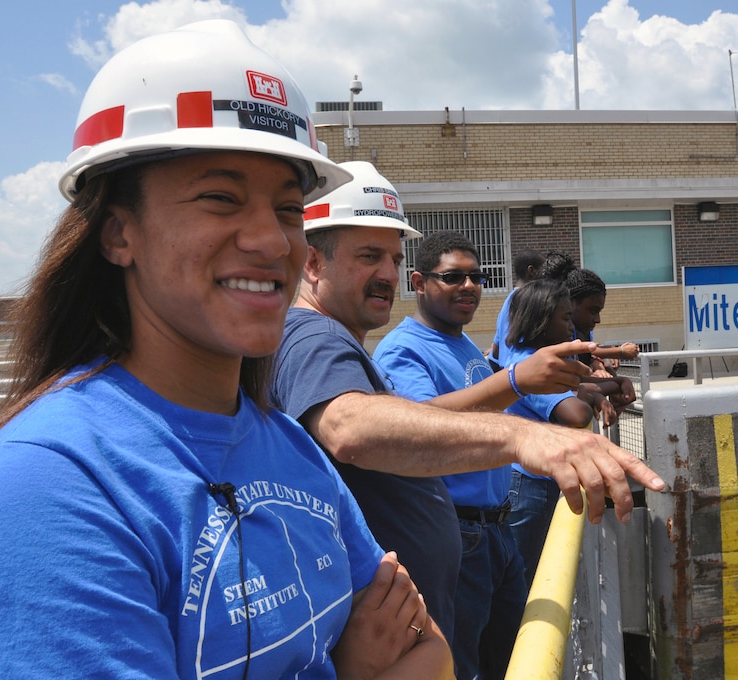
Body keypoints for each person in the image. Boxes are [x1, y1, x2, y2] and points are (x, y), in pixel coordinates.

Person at [0, 21, 454, 679]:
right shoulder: (52, 482)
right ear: (117, 233)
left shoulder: (287, 445)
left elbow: (432, 654)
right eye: (220, 198)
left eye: (286, 210)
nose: (274, 242)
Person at [272, 162, 665, 643]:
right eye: (369, 256)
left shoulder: (359, 343)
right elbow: (352, 428)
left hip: (464, 559)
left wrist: (596, 383)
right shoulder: (316, 336)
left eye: (392, 259)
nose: (385, 275)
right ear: (312, 263)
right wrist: (523, 433)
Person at [373, 232, 529, 679]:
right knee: (456, 665)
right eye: (453, 277)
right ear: (419, 283)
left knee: (513, 657)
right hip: (460, 534)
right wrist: (517, 380)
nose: (469, 286)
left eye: (477, 277)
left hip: (498, 530)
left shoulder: (461, 344)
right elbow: (420, 424)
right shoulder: (403, 349)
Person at [504, 278, 624, 589]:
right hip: (528, 485)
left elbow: (577, 389)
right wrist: (602, 391)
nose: (573, 326)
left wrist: (597, 390)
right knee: (525, 571)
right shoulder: (529, 364)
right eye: (566, 317)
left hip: (542, 478)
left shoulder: (552, 361)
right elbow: (576, 413)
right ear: (542, 321)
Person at [540, 251, 640, 377]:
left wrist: (598, 361)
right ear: (571, 302)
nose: (597, 320)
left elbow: (587, 354)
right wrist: (620, 352)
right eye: (593, 311)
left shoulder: (581, 329)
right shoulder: (557, 333)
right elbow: (577, 383)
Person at [487, 248, 545, 371]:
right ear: (532, 271)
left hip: (505, 372)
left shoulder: (508, 301)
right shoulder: (527, 303)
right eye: (543, 270)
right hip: (521, 373)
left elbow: (496, 349)